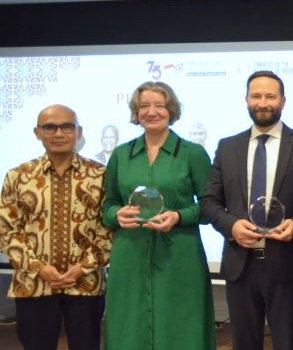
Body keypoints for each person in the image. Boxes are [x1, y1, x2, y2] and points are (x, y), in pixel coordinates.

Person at [201, 70, 293, 350]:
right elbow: (209, 203)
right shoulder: (227, 147)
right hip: (241, 265)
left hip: (287, 264)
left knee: (289, 343)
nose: (262, 102)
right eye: (256, 96)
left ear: (283, 101)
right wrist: (231, 226)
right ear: (246, 100)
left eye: (270, 96)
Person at [101, 81, 216, 349]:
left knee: (181, 329)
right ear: (136, 111)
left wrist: (179, 216)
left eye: (159, 105)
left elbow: (211, 207)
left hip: (180, 258)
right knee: (128, 329)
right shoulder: (120, 154)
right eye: (144, 106)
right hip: (129, 256)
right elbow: (108, 206)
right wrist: (117, 214)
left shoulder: (193, 153)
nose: (151, 112)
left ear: (171, 110)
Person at [0, 105, 110, 350]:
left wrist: (83, 267)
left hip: (85, 284)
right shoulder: (18, 176)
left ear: (78, 132)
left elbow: (109, 229)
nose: (58, 133)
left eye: (66, 126)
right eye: (50, 127)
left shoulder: (101, 175)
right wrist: (38, 267)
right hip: (33, 284)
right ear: (37, 132)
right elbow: (7, 230)